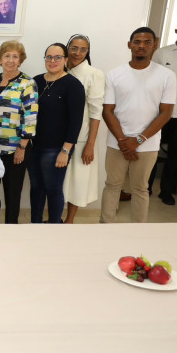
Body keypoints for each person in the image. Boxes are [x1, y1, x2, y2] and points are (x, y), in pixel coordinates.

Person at [100, 27, 176, 223]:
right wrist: (124, 141)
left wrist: (139, 139)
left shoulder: (166, 75)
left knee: (141, 188)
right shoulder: (115, 74)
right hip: (117, 142)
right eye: (137, 42)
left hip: (148, 144)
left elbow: (166, 112)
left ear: (154, 45)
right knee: (112, 185)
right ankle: (105, 227)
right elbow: (107, 110)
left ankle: (138, 233)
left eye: (147, 42)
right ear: (129, 45)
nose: (141, 46)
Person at [28, 43, 85, 224]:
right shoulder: (36, 81)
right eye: (49, 57)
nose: (52, 61)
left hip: (57, 148)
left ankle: (54, 227)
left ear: (66, 60)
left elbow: (76, 122)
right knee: (36, 188)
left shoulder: (73, 85)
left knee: (53, 188)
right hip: (34, 146)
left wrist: (66, 150)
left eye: (57, 57)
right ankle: (35, 224)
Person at [0, 40, 38, 224]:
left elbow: (31, 118)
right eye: (7, 56)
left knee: (12, 193)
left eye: (15, 56)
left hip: (15, 149)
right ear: (0, 59)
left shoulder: (27, 83)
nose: (10, 60)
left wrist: (22, 146)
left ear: (20, 60)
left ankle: (11, 229)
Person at [63, 34, 105, 223]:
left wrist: (90, 144)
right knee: (60, 182)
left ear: (88, 52)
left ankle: (70, 220)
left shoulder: (93, 74)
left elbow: (96, 112)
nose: (78, 53)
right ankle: (56, 217)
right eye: (74, 48)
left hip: (82, 139)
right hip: (59, 136)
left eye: (83, 49)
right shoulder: (60, 69)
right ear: (67, 48)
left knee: (78, 183)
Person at [152, 22, 177, 205]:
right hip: (160, 112)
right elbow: (150, 80)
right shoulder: (162, 53)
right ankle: (145, 187)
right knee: (152, 150)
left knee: (176, 155)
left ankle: (166, 191)